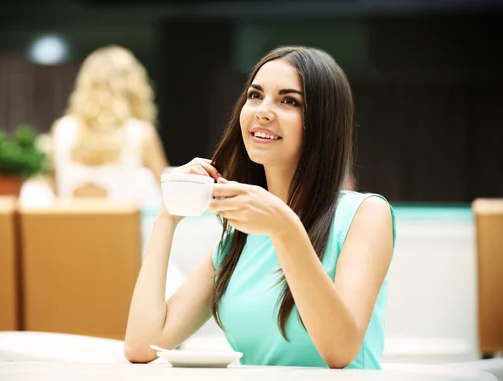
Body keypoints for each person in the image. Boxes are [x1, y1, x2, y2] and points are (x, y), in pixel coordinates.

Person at [124, 46, 396, 369]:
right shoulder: (236, 239)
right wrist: (167, 217)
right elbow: (142, 345)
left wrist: (285, 228)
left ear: (323, 123)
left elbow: (340, 351)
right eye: (255, 95)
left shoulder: (365, 215)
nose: (263, 111)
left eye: (289, 101)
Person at [50, 45, 169, 207]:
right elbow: (169, 197)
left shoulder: (61, 130)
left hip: (69, 230)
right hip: (126, 232)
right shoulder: (141, 134)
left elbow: (56, 192)